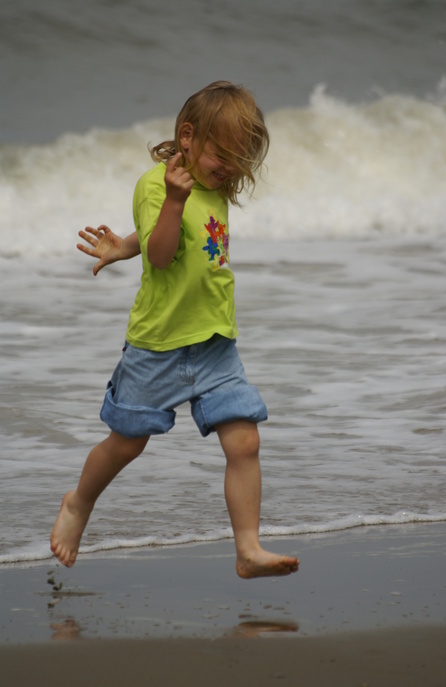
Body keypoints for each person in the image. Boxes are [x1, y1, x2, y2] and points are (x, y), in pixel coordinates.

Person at [50, 81, 300, 579]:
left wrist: (126, 244)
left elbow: (163, 238)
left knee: (244, 441)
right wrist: (163, 211)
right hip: (158, 345)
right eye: (221, 152)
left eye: (238, 157)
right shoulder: (155, 186)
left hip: (214, 343)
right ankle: (78, 503)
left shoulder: (214, 187)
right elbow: (163, 253)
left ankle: (248, 549)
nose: (228, 166)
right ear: (187, 136)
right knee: (127, 443)